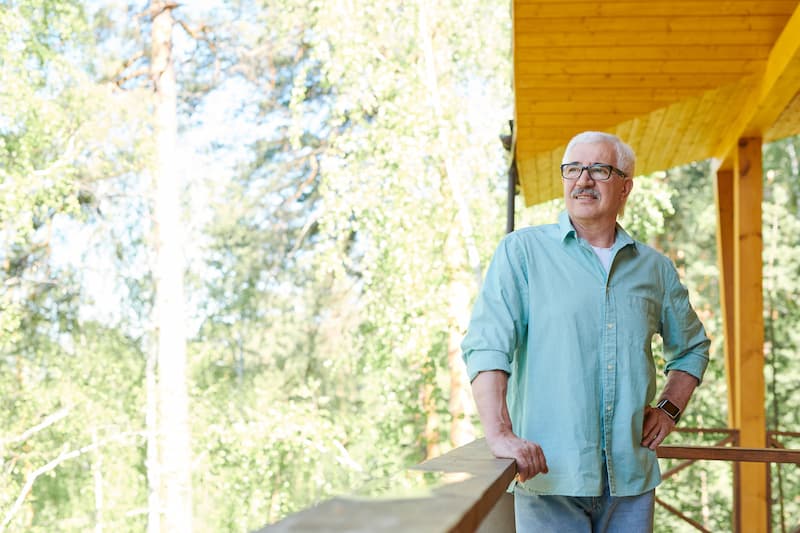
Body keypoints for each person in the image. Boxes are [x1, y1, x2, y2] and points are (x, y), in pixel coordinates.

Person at [461, 131, 710, 532]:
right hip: (549, 478)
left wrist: (669, 408)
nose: (583, 180)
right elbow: (487, 346)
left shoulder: (655, 269)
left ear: (625, 186)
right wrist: (500, 435)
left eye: (599, 169)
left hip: (630, 482)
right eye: (573, 169)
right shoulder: (521, 252)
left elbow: (693, 348)